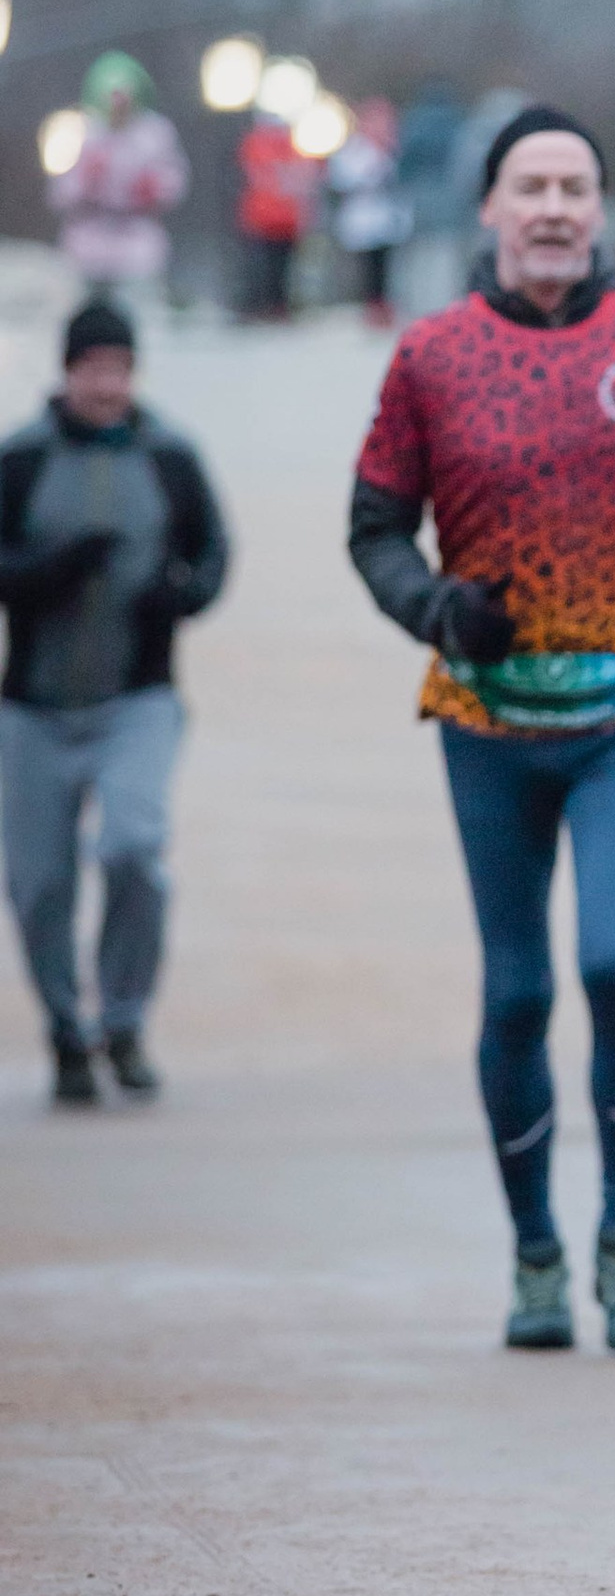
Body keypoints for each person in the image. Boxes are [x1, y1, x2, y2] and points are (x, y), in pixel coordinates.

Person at [346, 107, 615, 1354]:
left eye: (575, 185)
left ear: (600, 209)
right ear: (488, 209)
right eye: (530, 186)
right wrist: (433, 608)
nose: (554, 209)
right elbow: (371, 528)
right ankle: (535, 1251)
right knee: (519, 989)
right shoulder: (430, 356)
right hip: (487, 717)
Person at [0, 299, 228, 1105]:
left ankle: (123, 1018)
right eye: (93, 368)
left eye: (119, 369)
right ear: (66, 372)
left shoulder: (169, 456)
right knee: (36, 883)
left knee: (133, 846)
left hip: (139, 696)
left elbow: (212, 551)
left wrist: (183, 594)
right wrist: (50, 569)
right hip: (33, 704)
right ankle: (67, 1026)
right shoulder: (22, 459)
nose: (107, 384)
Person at [49, 54, 189, 297]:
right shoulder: (79, 130)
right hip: (88, 235)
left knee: (138, 303)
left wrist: (156, 189)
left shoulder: (154, 133)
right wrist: (85, 182)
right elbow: (59, 193)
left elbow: (175, 181)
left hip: (136, 236)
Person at [328, 97, 411, 325]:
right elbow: (342, 179)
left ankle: (385, 305)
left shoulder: (395, 148)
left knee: (386, 264)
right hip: (363, 217)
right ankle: (371, 306)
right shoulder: (354, 149)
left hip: (388, 217)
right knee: (368, 266)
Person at [234, 111, 316, 320]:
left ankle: (279, 305)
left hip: (285, 217)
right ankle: (262, 305)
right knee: (263, 265)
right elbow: (260, 175)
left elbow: (304, 176)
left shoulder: (293, 145)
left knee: (282, 265)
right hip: (264, 216)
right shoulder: (257, 144)